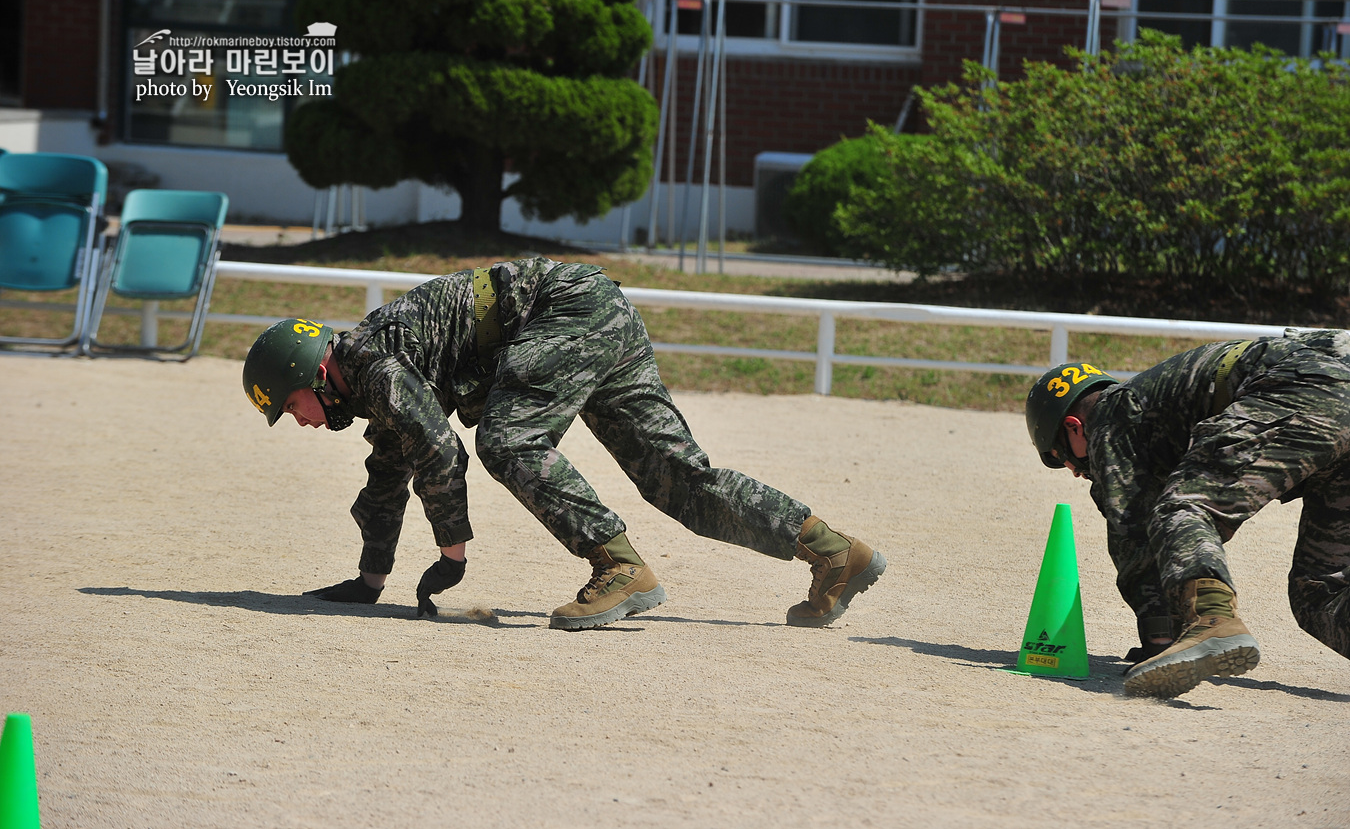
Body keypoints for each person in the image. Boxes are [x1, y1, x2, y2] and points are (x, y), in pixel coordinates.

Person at [242, 257, 886, 630]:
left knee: (508, 441)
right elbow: (387, 474)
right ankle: (836, 553)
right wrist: (369, 578)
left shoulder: (373, 366)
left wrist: (452, 557)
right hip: (594, 309)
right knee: (677, 479)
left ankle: (620, 568)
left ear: (310, 373)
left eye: (290, 407)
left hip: (563, 313)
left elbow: (441, 453)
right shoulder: (370, 386)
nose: (297, 421)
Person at [1025, 330, 1350, 698]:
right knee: (1321, 590)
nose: (1074, 471)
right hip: (1333, 389)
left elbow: (1133, 538)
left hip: (1302, 394)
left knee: (1180, 506)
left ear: (1074, 427)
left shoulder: (1110, 420)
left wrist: (1159, 640)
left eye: (1060, 457)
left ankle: (1213, 619)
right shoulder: (1151, 401)